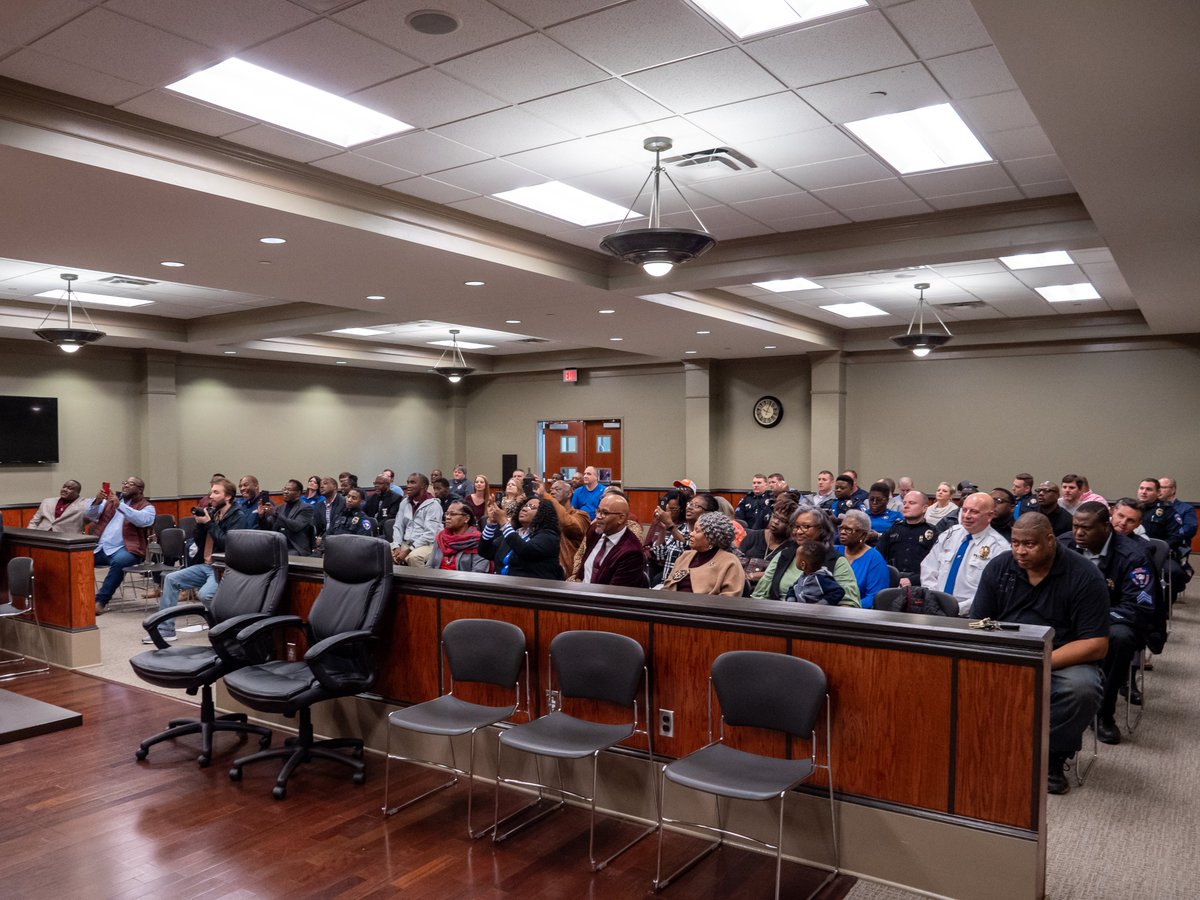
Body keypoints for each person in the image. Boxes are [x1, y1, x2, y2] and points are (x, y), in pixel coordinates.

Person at [971, 512, 1109, 795]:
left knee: (1081, 689)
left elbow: (1095, 643)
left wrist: (1040, 661)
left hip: (1062, 656)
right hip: (1008, 650)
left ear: (1050, 541)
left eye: (1029, 544)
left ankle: (1052, 758)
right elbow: (977, 623)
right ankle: (984, 749)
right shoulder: (999, 568)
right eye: (1015, 543)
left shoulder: (1084, 575)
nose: (1020, 551)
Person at [1058, 501, 1155, 745]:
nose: (1078, 533)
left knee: (1121, 639)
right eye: (1076, 526)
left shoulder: (1133, 556)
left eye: (1086, 528)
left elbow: (1139, 606)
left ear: (1106, 526)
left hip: (1111, 618)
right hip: (1066, 616)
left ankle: (1104, 713)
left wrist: (1094, 621)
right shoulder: (1063, 545)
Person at [150, 478, 247, 642]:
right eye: (211, 492)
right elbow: (199, 542)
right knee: (171, 579)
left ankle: (228, 627)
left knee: (205, 594)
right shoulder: (214, 513)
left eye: (216, 492)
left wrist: (209, 523)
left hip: (224, 568)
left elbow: (227, 543)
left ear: (228, 497)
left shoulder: (238, 516)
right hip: (206, 565)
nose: (211, 496)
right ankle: (166, 631)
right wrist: (201, 525)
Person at [920, 492, 1009, 616]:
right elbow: (928, 568)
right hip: (934, 609)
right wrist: (934, 601)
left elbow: (991, 592)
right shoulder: (949, 534)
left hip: (969, 616)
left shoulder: (999, 548)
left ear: (990, 516)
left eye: (974, 512)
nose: (966, 516)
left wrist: (955, 608)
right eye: (964, 510)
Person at [752, 508, 859, 605]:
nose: (798, 531)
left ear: (822, 530)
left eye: (806, 527)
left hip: (816, 619)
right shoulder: (784, 555)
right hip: (779, 615)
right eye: (796, 526)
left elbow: (849, 604)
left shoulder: (836, 561)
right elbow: (759, 594)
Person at [86, 476, 156, 616]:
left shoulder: (148, 507)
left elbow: (141, 520)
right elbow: (90, 515)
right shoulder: (109, 502)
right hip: (102, 547)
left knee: (120, 562)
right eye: (125, 483)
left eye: (131, 484)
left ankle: (100, 601)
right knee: (79, 559)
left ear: (140, 489)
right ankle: (78, 598)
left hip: (128, 549)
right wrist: (97, 501)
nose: (125, 486)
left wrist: (120, 505)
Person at [480, 494, 563, 580]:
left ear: (543, 513)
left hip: (532, 589)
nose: (524, 509)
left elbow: (525, 550)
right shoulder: (515, 533)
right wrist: (491, 523)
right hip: (504, 587)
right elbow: (485, 552)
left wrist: (503, 522)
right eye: (524, 506)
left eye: (531, 507)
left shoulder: (548, 536)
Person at [573, 493, 649, 588]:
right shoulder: (594, 531)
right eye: (598, 511)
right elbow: (582, 571)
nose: (598, 516)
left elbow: (615, 594)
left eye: (605, 513)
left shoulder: (632, 552)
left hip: (604, 600)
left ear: (621, 518)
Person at [662, 512, 745, 597]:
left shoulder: (730, 561)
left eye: (697, 531)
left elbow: (730, 598)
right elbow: (667, 587)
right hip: (673, 605)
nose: (691, 534)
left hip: (705, 608)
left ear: (711, 537)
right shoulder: (685, 556)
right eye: (693, 530)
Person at [876, 491, 938, 587]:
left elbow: (937, 566)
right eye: (904, 503)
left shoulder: (933, 532)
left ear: (924, 508)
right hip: (892, 582)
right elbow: (878, 557)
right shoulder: (893, 530)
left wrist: (913, 580)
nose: (906, 506)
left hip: (920, 584)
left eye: (912, 503)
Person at [738, 498, 799, 586]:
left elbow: (783, 574)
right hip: (741, 584)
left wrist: (752, 576)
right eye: (774, 516)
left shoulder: (793, 546)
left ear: (791, 525)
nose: (775, 522)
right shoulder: (753, 536)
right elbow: (736, 561)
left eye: (782, 520)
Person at [837, 509, 889, 610]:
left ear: (863, 535)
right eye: (841, 528)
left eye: (848, 529)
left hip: (858, 613)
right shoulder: (834, 552)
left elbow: (875, 598)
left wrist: (847, 608)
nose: (842, 532)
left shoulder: (874, 559)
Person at [391, 473, 443, 566]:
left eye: (412, 483)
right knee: (383, 550)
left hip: (427, 545)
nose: (408, 486)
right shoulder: (405, 502)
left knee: (414, 557)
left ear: (424, 486)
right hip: (406, 542)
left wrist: (408, 551)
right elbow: (398, 526)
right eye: (408, 483)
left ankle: (422, 581)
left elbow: (430, 534)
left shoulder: (433, 505)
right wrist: (396, 546)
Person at [545, 479, 590, 580]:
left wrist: (547, 497)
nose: (552, 492)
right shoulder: (546, 516)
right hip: (546, 571)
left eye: (557, 489)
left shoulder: (581, 515)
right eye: (551, 490)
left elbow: (568, 524)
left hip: (566, 574)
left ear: (569, 493)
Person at [428, 501, 490, 573]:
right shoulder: (441, 537)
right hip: (436, 580)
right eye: (447, 514)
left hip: (464, 583)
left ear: (466, 518)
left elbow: (478, 573)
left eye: (453, 514)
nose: (447, 517)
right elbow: (429, 566)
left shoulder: (477, 541)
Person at [259, 479, 317, 555]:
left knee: (282, 556)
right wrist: (261, 516)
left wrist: (275, 514)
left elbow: (295, 526)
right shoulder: (279, 508)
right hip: (278, 545)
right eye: (285, 489)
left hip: (295, 547)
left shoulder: (306, 508)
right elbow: (268, 528)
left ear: (298, 493)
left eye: (289, 490)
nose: (285, 492)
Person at [645, 489, 688, 586]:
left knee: (656, 579)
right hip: (656, 563)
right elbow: (650, 546)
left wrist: (670, 525)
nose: (668, 513)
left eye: (673, 509)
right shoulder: (658, 523)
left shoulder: (685, 526)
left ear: (681, 509)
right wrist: (662, 528)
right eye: (666, 509)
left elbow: (685, 549)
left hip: (673, 568)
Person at [784, 540, 845, 605]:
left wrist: (822, 604)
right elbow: (793, 588)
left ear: (803, 565)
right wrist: (791, 599)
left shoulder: (821, 578)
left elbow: (838, 591)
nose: (795, 559)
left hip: (815, 613)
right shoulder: (803, 576)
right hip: (800, 610)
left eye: (796, 557)